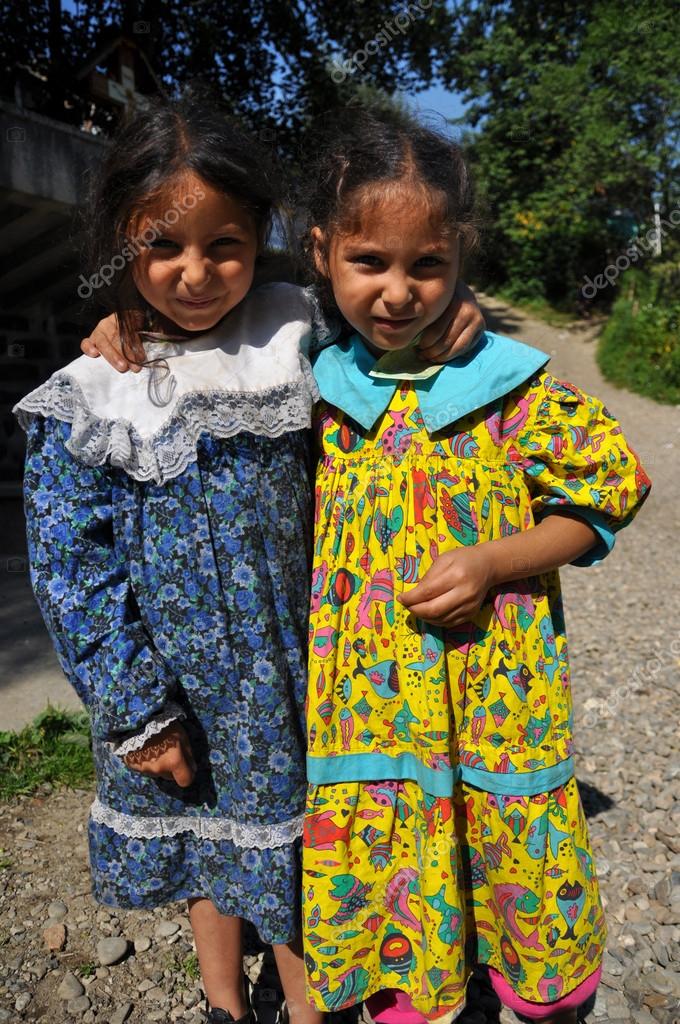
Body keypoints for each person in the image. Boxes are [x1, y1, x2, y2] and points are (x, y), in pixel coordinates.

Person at [16, 93, 484, 1024]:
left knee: (294, 850)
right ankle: (225, 1002)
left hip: (293, 671)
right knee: (207, 851)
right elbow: (70, 571)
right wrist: (135, 709)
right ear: (118, 243)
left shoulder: (294, 330)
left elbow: (388, 314)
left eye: (223, 245)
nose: (196, 274)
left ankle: (307, 1009)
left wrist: (450, 309)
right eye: (162, 247)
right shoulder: (91, 393)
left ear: (262, 235)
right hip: (173, 687)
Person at [300, 110, 652, 1024]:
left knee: (516, 859)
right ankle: (413, 984)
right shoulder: (310, 388)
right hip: (371, 708)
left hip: (498, 694)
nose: (398, 292)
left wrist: (496, 561)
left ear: (461, 257)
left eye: (428, 264)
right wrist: (118, 324)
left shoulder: (508, 386)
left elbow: (611, 488)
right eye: (369, 261)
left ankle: (538, 986)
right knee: (393, 868)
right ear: (321, 253)